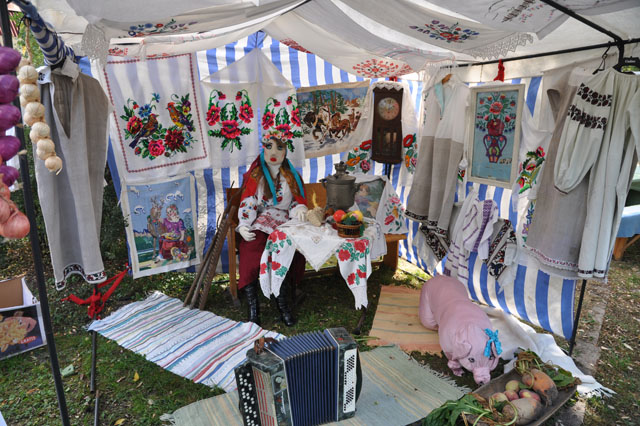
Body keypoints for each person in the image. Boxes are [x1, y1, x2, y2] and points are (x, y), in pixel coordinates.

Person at [236, 132, 308, 326]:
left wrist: (300, 209)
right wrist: (244, 225)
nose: (274, 152)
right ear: (263, 149)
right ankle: (253, 310)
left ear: (286, 151)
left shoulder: (291, 176)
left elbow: (295, 202)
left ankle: (283, 307)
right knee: (250, 251)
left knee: (281, 253)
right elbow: (249, 201)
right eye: (269, 147)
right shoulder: (256, 176)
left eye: (279, 147)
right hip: (262, 220)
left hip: (284, 222)